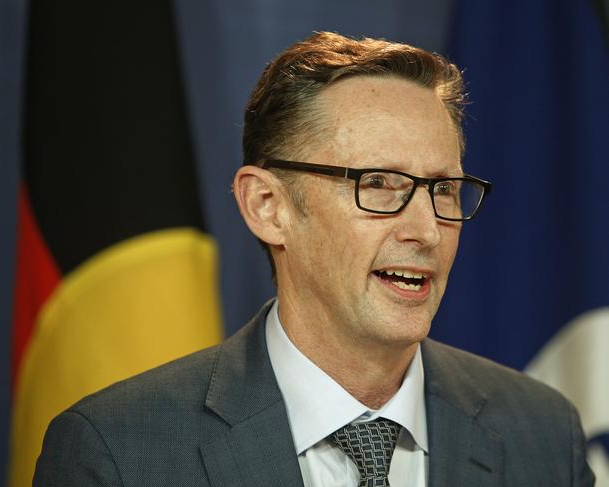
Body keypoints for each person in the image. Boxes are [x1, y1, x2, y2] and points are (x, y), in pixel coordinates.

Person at [34, 31, 595, 486]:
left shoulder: (542, 434)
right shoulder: (118, 452)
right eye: (379, 183)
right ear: (267, 206)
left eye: (444, 190)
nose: (427, 230)